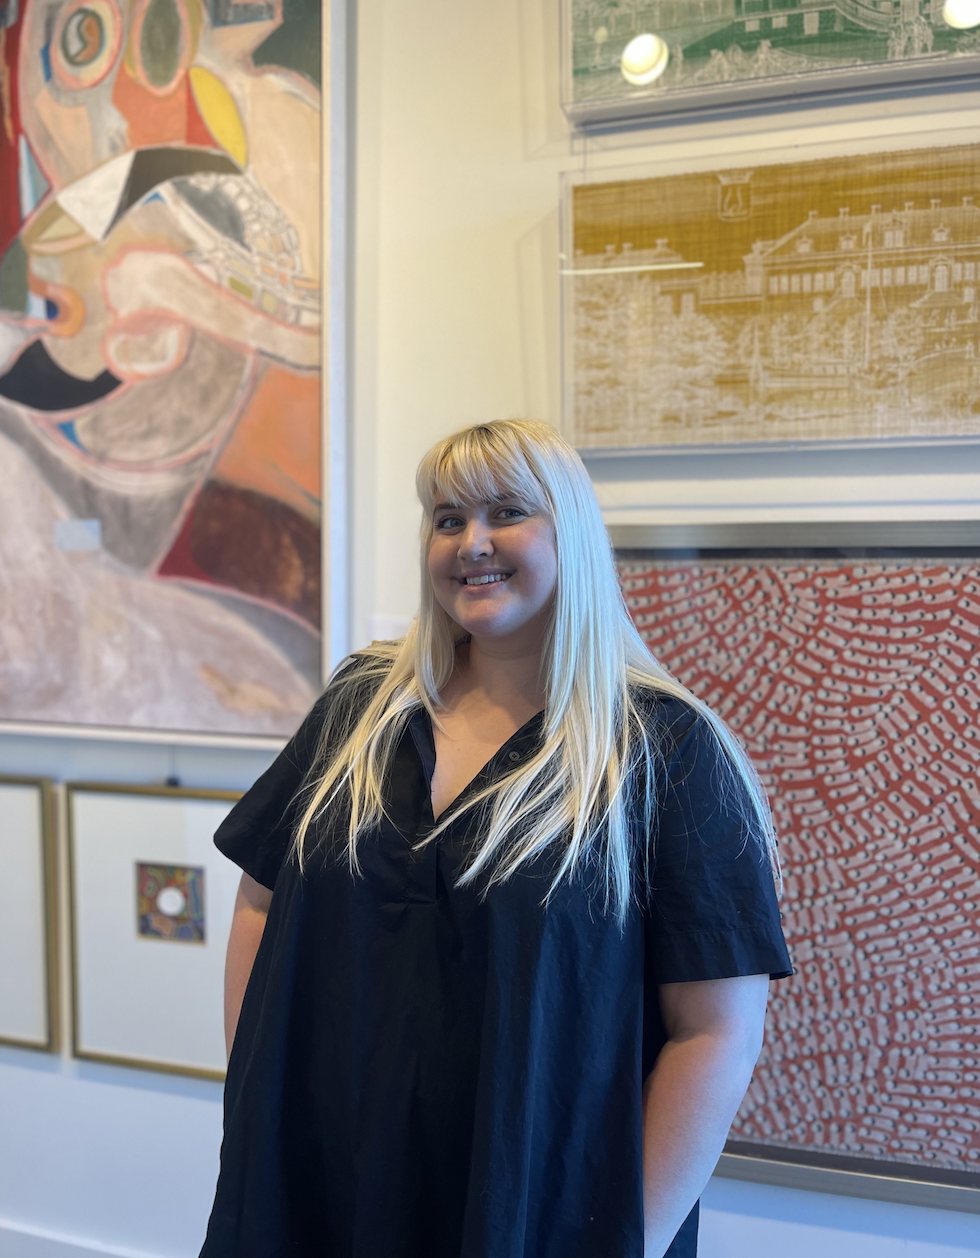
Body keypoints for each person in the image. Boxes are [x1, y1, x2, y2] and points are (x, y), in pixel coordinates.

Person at [200, 420, 792, 1258]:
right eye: (448, 519)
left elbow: (716, 1034)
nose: (471, 543)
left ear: (572, 536)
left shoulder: (665, 750)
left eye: (507, 512)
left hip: (536, 1212)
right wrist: (258, 1102)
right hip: (319, 1197)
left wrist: (630, 1240)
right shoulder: (361, 707)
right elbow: (261, 902)